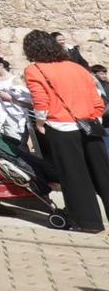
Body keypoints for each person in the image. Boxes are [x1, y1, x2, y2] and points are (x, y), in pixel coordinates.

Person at [23, 29, 109, 233]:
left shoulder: (34, 70)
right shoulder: (76, 67)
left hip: (61, 126)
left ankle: (89, 223)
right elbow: (97, 95)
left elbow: (40, 100)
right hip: (89, 124)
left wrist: (41, 123)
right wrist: (94, 116)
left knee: (74, 175)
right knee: (103, 173)